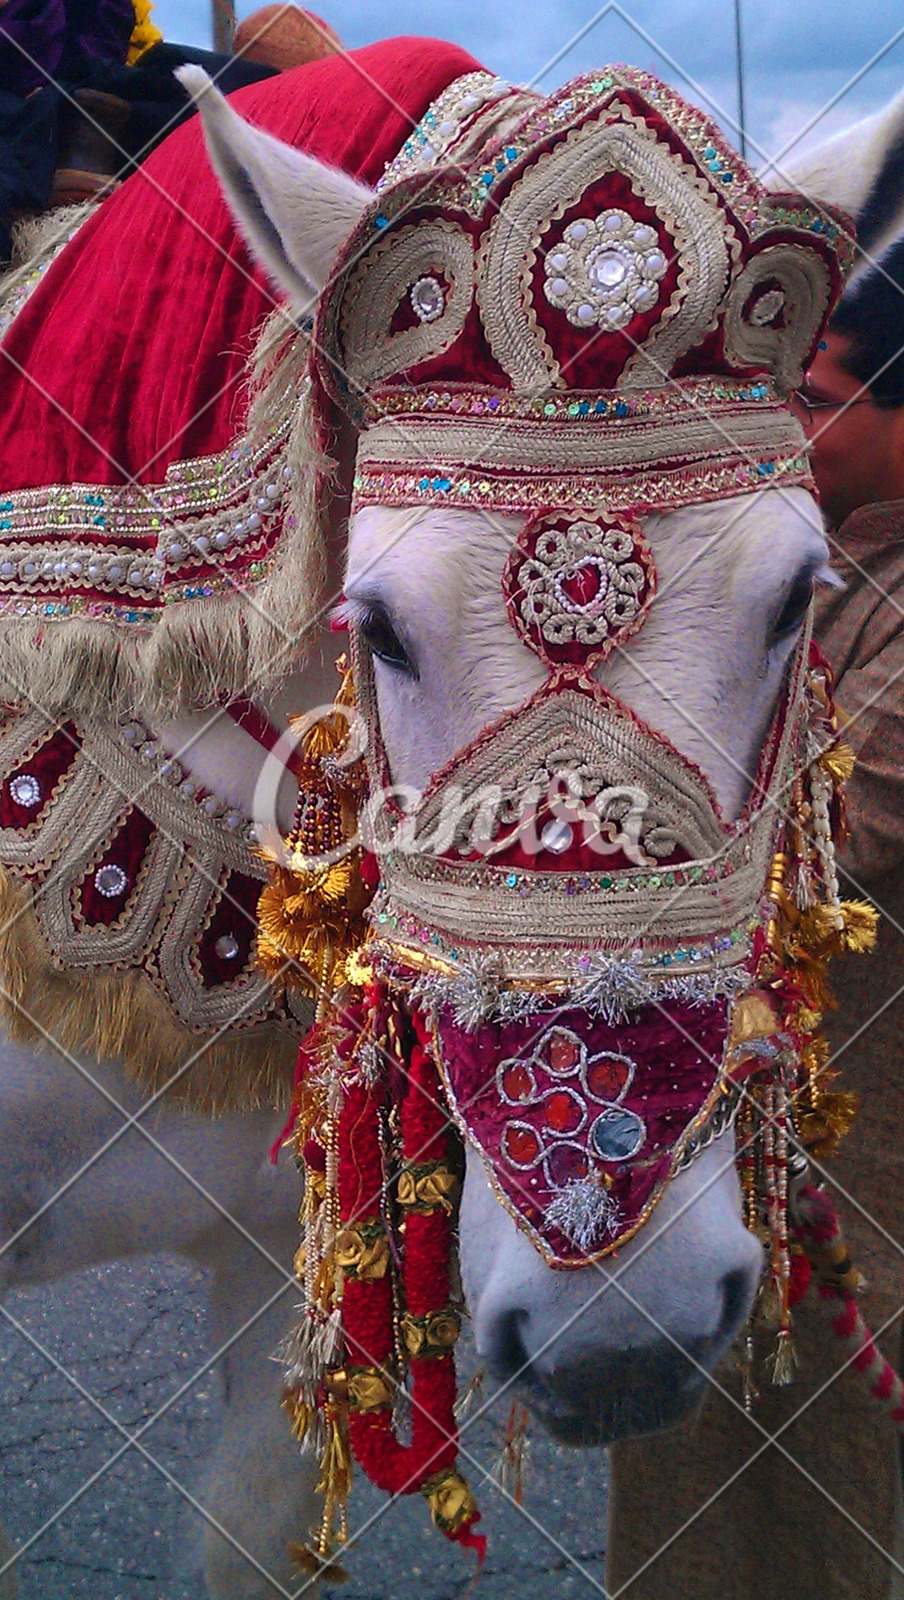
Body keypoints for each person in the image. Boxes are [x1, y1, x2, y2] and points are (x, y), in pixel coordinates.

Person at [606, 240, 904, 1596]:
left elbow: (853, 832)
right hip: (733, 1093)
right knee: (683, 1423)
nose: (788, 424)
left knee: (835, 1450)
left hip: (867, 1115)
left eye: (824, 390)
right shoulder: (807, 561)